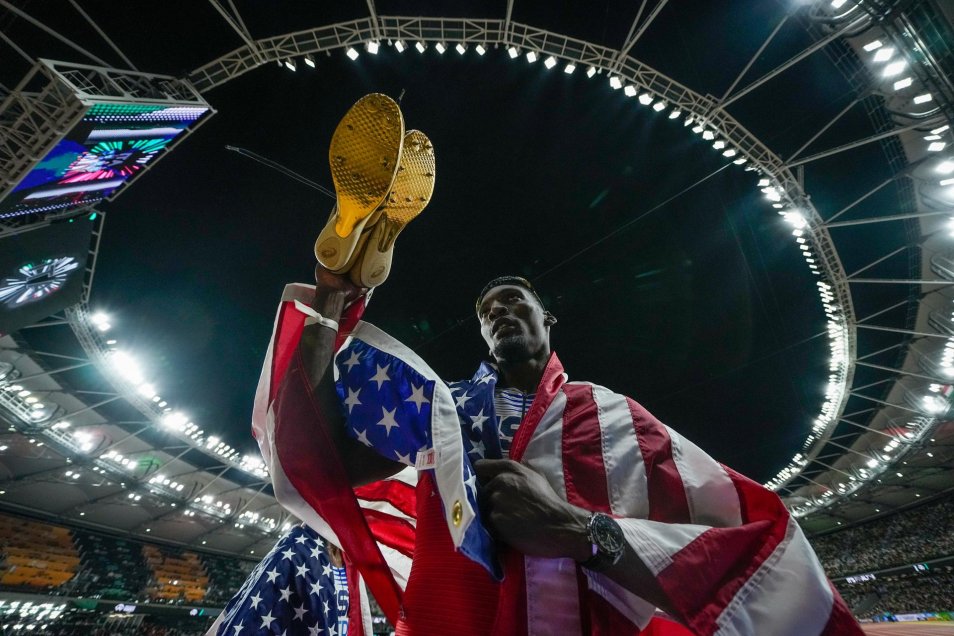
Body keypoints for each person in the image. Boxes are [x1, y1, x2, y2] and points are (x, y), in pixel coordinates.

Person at [252, 265, 864, 635]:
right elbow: (322, 461)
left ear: (548, 320)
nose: (500, 313)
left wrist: (582, 532)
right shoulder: (443, 409)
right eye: (488, 312)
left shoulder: (614, 416)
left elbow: (744, 537)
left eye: (514, 302)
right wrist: (330, 302)